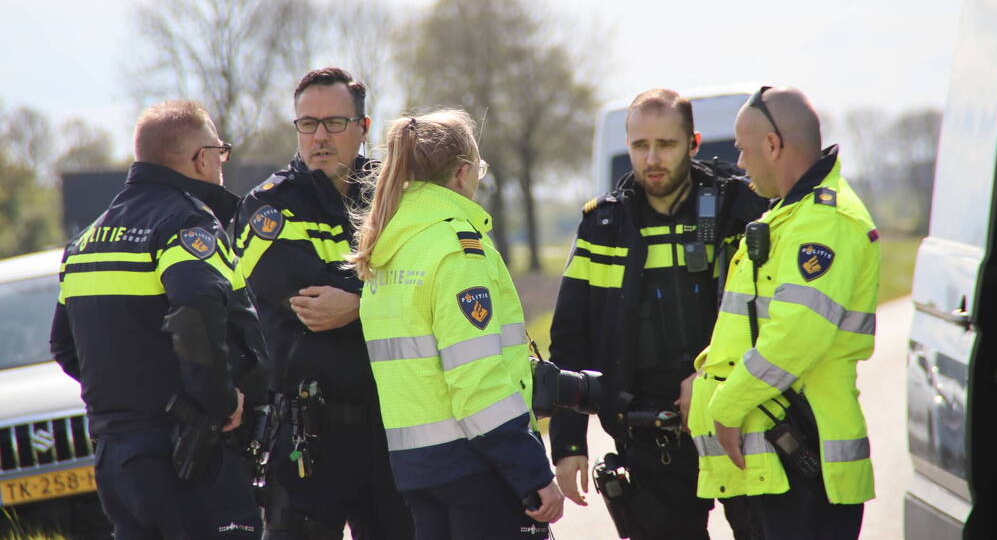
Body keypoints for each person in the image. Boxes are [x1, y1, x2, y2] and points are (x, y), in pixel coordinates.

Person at [549, 88, 767, 539]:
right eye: (639, 146)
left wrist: (711, 381)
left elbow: (773, 315)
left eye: (666, 145)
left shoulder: (739, 209)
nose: (651, 159)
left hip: (737, 422)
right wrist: (569, 444)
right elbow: (572, 338)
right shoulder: (602, 226)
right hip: (649, 438)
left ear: (694, 143)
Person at [347, 109, 564, 540]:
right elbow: (477, 382)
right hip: (478, 470)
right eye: (479, 170)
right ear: (463, 173)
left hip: (418, 471)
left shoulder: (389, 249)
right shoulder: (456, 249)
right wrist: (532, 472)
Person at [50, 100, 258, 538]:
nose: (222, 162)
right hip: (185, 453)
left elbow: (65, 347)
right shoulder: (184, 221)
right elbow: (196, 311)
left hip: (114, 456)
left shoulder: (86, 240)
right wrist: (220, 402)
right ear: (201, 158)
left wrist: (127, 396)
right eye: (220, 151)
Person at [685, 86, 878, 539]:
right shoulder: (791, 216)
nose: (740, 163)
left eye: (743, 149)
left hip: (803, 462)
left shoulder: (824, 222)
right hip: (780, 464)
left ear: (772, 146)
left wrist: (726, 406)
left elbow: (795, 338)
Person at [233, 67, 413, 539]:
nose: (319, 136)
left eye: (335, 123)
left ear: (364, 128)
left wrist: (358, 303)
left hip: (397, 426)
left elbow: (428, 287)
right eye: (307, 124)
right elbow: (312, 303)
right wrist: (384, 292)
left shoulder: (399, 198)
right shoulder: (268, 207)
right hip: (309, 439)